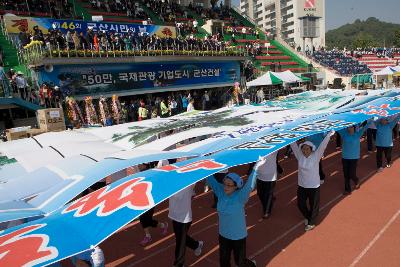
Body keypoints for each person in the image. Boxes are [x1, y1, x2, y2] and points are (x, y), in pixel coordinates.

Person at [207, 167, 258, 267]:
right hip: (223, 234)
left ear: (236, 186)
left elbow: (249, 185)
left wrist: (256, 169)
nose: (226, 187)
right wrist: (203, 167)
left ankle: (252, 265)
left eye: (229, 185)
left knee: (240, 262)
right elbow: (211, 180)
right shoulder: (221, 192)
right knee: (224, 261)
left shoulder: (240, 197)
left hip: (238, 236)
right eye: (225, 183)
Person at [290, 131, 333, 231]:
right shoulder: (299, 155)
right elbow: (293, 145)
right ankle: (308, 216)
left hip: (314, 185)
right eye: (303, 149)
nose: (305, 151)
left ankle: (311, 222)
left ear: (311, 149)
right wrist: (289, 135)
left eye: (307, 149)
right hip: (302, 185)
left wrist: (328, 135)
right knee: (300, 204)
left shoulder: (316, 156)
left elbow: (323, 145)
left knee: (314, 205)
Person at [169, 183, 204, 267]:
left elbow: (178, 195)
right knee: (180, 238)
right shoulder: (171, 182)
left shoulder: (188, 184)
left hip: (184, 218)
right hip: (174, 215)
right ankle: (196, 245)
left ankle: (179, 264)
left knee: (180, 241)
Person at [338, 122, 368, 195]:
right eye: (348, 127)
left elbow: (365, 127)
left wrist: (372, 118)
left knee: (352, 174)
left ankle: (356, 180)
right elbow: (337, 127)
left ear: (354, 128)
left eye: (351, 127)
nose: (349, 128)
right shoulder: (344, 134)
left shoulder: (358, 134)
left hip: (354, 158)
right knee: (346, 174)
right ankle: (347, 189)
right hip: (345, 157)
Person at [256, 151, 279, 219]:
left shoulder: (275, 149)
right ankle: (269, 203)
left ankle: (267, 211)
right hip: (260, 175)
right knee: (260, 194)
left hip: (271, 176)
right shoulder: (258, 148)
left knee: (268, 194)